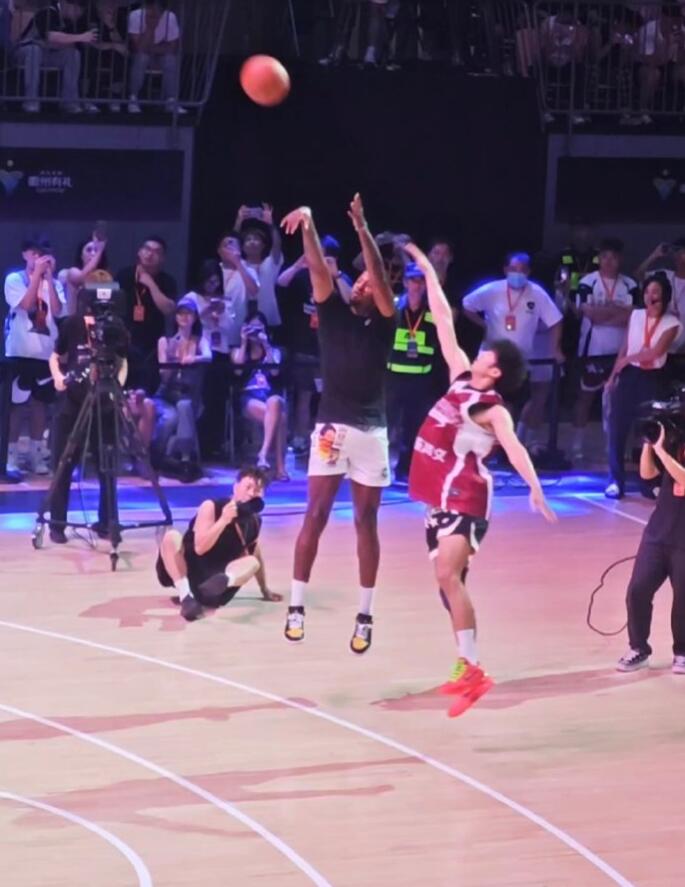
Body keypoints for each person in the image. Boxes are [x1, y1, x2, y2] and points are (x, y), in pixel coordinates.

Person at [402, 242, 556, 718]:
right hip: (438, 497)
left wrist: (535, 488)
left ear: (496, 369)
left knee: (448, 576)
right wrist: (428, 270)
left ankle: (474, 671)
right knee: (447, 587)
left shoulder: (492, 408)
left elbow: (514, 447)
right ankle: (466, 663)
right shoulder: (460, 377)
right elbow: (443, 321)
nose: (480, 350)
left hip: (466, 496)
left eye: (487, 352)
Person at [280, 194, 396, 653]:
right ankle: (296, 606)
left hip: (371, 431)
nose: (364, 282)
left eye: (370, 280)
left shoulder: (385, 321)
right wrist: (308, 224)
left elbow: (380, 276)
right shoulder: (331, 312)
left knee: (366, 521)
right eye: (360, 279)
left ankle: (365, 615)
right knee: (316, 514)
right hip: (332, 428)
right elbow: (316, 268)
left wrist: (363, 229)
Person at [47, 282, 128, 543]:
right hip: (73, 403)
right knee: (64, 464)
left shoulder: (116, 327)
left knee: (108, 466)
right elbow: (55, 356)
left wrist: (118, 388)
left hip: (104, 404)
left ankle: (107, 522)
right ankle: (57, 523)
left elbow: (123, 360)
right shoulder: (72, 324)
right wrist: (58, 377)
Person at [462, 251, 564, 447]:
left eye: (523, 269)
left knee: (512, 405)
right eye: (514, 269)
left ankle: (506, 446)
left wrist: (555, 348)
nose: (518, 273)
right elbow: (467, 305)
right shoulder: (492, 290)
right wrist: (483, 324)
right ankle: (482, 446)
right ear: (505, 270)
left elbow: (556, 320)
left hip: (519, 361)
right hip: (491, 359)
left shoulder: (537, 293)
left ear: (529, 271)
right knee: (485, 403)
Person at [156, 466, 281, 622]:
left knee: (253, 562)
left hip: (213, 584)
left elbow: (255, 552)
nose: (251, 493)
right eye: (248, 487)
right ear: (236, 486)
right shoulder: (211, 506)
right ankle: (186, 597)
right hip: (191, 569)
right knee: (171, 537)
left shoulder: (255, 521)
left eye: (257, 490)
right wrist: (223, 520)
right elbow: (200, 548)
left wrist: (264, 589)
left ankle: (224, 581)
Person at [616, 423, 685, 675]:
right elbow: (648, 475)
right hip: (657, 534)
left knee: (683, 599)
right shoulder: (677, 444)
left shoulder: (670, 452)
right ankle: (638, 648)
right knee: (638, 590)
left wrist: (662, 452)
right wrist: (649, 443)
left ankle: (682, 652)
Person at [605, 274, 681, 499]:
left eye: (655, 292)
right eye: (647, 292)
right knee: (617, 428)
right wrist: (613, 374)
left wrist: (628, 359)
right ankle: (615, 481)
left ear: (665, 296)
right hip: (630, 375)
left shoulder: (672, 323)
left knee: (649, 430)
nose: (650, 296)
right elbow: (625, 346)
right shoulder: (636, 315)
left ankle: (649, 482)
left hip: (653, 378)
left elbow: (656, 352)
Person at [277, 234, 351, 455]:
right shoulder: (302, 276)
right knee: (303, 396)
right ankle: (301, 438)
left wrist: (336, 274)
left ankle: (328, 442)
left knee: (330, 398)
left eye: (325, 257)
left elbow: (351, 300)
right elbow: (280, 283)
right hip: (304, 348)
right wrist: (299, 264)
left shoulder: (340, 278)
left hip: (330, 351)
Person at [570, 238, 638, 461]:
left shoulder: (630, 284)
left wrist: (605, 314)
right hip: (592, 350)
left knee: (617, 402)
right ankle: (577, 445)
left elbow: (632, 316)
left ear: (620, 260)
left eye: (614, 257)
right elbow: (589, 313)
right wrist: (616, 312)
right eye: (605, 257)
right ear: (599, 259)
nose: (609, 261)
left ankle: (614, 447)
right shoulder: (587, 282)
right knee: (585, 397)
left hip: (620, 353)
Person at [4, 237, 65, 475]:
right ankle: (10, 456)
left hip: (46, 353)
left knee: (40, 405)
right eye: (35, 254)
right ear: (25, 255)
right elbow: (27, 304)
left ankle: (36, 454)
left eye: (44, 254)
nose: (39, 259)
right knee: (17, 406)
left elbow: (58, 311)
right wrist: (36, 276)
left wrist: (48, 279)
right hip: (19, 352)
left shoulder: (55, 283)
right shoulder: (15, 279)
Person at [386, 261, 439, 483]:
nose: (417, 285)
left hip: (420, 379)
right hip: (393, 377)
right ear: (405, 282)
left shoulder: (433, 310)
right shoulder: (393, 307)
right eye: (413, 280)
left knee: (413, 427)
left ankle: (404, 470)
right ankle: (378, 468)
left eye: (421, 281)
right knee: (385, 425)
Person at [152, 296, 210, 477]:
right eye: (180, 313)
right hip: (167, 395)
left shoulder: (200, 340)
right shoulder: (165, 341)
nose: (184, 317)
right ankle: (157, 455)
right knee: (170, 418)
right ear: (176, 317)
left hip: (190, 396)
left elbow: (209, 356)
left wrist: (194, 358)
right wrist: (173, 358)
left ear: (195, 317)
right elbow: (163, 375)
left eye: (188, 313)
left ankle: (184, 460)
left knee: (185, 406)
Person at [13, 0, 98, 114]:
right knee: (34, 51)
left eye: (81, 9)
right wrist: (81, 37)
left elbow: (73, 43)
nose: (79, 12)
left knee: (73, 54)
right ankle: (30, 101)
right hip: (24, 52)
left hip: (48, 54)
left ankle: (69, 102)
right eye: (76, 7)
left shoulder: (71, 21)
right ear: (64, 3)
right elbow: (51, 36)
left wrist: (82, 40)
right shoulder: (46, 12)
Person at [116, 235, 178, 391]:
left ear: (163, 258)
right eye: (147, 249)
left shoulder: (167, 281)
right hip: (125, 343)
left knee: (147, 391)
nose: (150, 254)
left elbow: (168, 309)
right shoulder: (124, 276)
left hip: (152, 346)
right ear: (139, 252)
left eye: (156, 252)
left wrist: (151, 284)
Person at [231, 312, 288, 479]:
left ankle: (263, 454)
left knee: (275, 402)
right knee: (281, 418)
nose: (255, 332)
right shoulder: (237, 351)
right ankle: (280, 469)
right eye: (252, 328)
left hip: (269, 396)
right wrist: (244, 341)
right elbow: (238, 370)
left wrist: (266, 344)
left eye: (259, 328)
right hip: (249, 398)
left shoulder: (274, 351)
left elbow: (275, 371)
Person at [127, 0, 184, 115]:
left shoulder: (170, 17)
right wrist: (150, 28)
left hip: (160, 55)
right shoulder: (135, 16)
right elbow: (138, 48)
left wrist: (149, 48)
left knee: (170, 60)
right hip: (140, 55)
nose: (153, 14)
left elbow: (172, 48)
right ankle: (133, 98)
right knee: (142, 58)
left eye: (156, 12)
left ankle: (171, 100)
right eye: (150, 10)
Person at [236, 204, 283, 328]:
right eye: (248, 239)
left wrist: (271, 224)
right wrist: (239, 221)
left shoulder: (270, 263)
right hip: (242, 321)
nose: (252, 242)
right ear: (242, 247)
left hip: (269, 320)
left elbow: (277, 245)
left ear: (263, 245)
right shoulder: (239, 264)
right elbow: (231, 243)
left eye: (256, 239)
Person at [59, 236, 109, 316]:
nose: (93, 253)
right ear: (81, 255)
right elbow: (82, 278)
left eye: (96, 250)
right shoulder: (73, 272)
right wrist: (99, 250)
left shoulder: (104, 276)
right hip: (76, 322)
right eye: (89, 250)